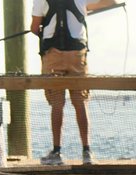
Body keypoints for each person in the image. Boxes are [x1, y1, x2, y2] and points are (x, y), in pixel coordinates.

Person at [31, 0, 119, 166]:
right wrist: (85, 9)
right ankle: (87, 151)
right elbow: (111, 1)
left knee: (57, 104)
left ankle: (57, 152)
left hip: (53, 55)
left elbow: (35, 28)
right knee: (80, 102)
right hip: (77, 55)